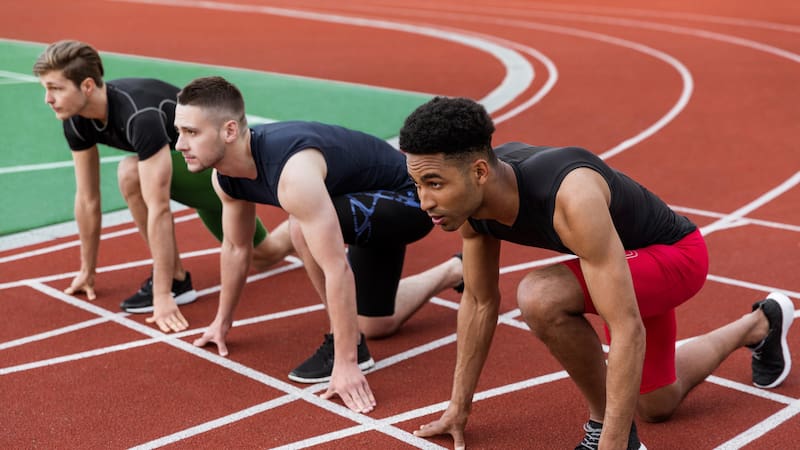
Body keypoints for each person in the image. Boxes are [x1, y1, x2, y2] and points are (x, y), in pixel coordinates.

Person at [399, 96, 795, 449]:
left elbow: (625, 326)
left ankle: (602, 425)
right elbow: (479, 301)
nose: (425, 201)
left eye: (434, 184)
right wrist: (458, 408)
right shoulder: (467, 203)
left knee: (541, 295)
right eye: (417, 184)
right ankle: (760, 324)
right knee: (656, 404)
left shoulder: (571, 195)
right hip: (627, 265)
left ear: (480, 172)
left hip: (676, 258)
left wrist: (613, 442)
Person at [174, 76, 464, 413]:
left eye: (191, 132)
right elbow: (237, 249)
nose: (179, 144)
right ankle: (457, 270)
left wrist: (347, 361)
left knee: (300, 227)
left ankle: (348, 344)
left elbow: (336, 267)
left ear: (228, 131)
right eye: (179, 131)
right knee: (375, 324)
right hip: (361, 202)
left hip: (410, 201)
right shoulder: (225, 178)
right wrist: (222, 322)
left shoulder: (293, 173)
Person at [33, 40, 293, 333]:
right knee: (265, 255)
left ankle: (174, 280)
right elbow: (87, 198)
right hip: (192, 171)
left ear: (88, 86)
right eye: (46, 88)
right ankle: (300, 228)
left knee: (130, 172)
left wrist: (162, 295)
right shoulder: (75, 121)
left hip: (223, 168)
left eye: (55, 88)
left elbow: (159, 207)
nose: (48, 99)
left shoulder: (138, 114)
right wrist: (87, 271)